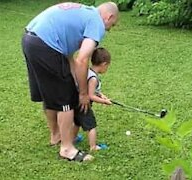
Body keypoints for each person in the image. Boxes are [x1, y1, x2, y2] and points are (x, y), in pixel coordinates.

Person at [21, 2, 119, 162]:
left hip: (31, 39)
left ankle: (56, 136)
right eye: (112, 25)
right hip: (46, 45)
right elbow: (82, 59)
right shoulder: (97, 23)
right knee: (65, 98)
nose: (109, 29)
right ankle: (67, 149)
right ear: (109, 17)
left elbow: (69, 56)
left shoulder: (84, 13)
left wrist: (76, 81)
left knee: (51, 93)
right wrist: (82, 93)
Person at [73, 47, 112, 151]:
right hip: (83, 104)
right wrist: (104, 101)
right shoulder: (93, 78)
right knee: (91, 126)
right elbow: (91, 96)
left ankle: (73, 138)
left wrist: (101, 95)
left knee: (77, 122)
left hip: (75, 101)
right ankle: (93, 147)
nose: (107, 68)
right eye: (107, 66)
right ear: (103, 64)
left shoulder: (87, 71)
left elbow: (92, 90)